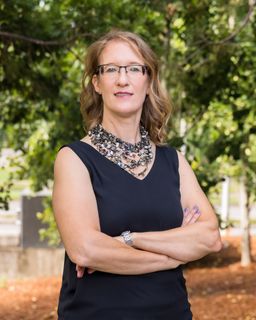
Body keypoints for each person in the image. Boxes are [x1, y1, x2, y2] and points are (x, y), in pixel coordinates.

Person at [52, 30, 222, 319]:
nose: (122, 79)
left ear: (148, 80)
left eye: (134, 68)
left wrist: (126, 239)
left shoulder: (173, 161)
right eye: (111, 70)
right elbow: (86, 251)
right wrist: (174, 253)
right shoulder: (74, 159)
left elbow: (210, 238)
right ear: (97, 82)